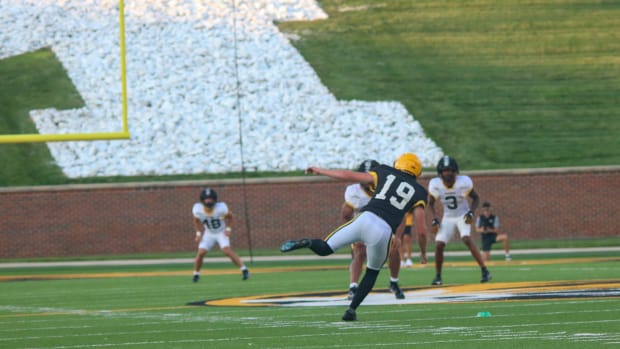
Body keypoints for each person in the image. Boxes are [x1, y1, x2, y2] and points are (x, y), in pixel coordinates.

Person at [280, 153, 428, 321]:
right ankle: (351, 310)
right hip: (383, 230)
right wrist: (423, 253)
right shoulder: (420, 192)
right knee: (372, 272)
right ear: (418, 172)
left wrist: (320, 170)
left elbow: (348, 175)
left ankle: (307, 242)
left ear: (397, 164)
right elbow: (422, 231)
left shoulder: (384, 171)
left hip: (364, 218)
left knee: (325, 248)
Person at [343, 160, 406, 301]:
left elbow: (401, 216)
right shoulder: (354, 192)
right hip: (362, 227)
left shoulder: (389, 191)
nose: (366, 180)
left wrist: (398, 236)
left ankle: (394, 282)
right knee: (359, 249)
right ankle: (353, 286)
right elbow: (346, 214)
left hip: (384, 226)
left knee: (394, 249)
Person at [428, 155, 491, 285]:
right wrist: (434, 218)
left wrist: (471, 212)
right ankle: (438, 276)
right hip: (448, 217)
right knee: (439, 244)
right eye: (445, 170)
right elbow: (430, 203)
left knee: (466, 238)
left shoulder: (464, 182)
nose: (448, 173)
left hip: (463, 214)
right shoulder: (435, 184)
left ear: (456, 171)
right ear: (440, 172)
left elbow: (476, 198)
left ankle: (485, 270)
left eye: (451, 170)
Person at [192, 187, 250, 282]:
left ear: (214, 199)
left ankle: (244, 270)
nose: (208, 201)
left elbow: (231, 217)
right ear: (202, 200)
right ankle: (196, 274)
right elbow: (195, 220)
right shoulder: (198, 209)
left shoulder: (221, 208)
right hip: (209, 233)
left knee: (226, 251)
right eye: (207, 199)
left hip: (221, 232)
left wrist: (228, 228)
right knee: (201, 252)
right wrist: (198, 233)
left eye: (210, 198)